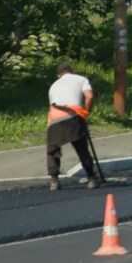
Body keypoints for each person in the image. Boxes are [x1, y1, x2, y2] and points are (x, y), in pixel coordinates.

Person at [46, 62, 103, 191]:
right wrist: (86, 112)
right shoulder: (81, 79)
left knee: (54, 150)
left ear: (58, 75)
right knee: (81, 147)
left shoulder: (53, 86)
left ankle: (54, 181)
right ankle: (92, 178)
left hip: (54, 118)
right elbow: (89, 96)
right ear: (71, 71)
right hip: (73, 115)